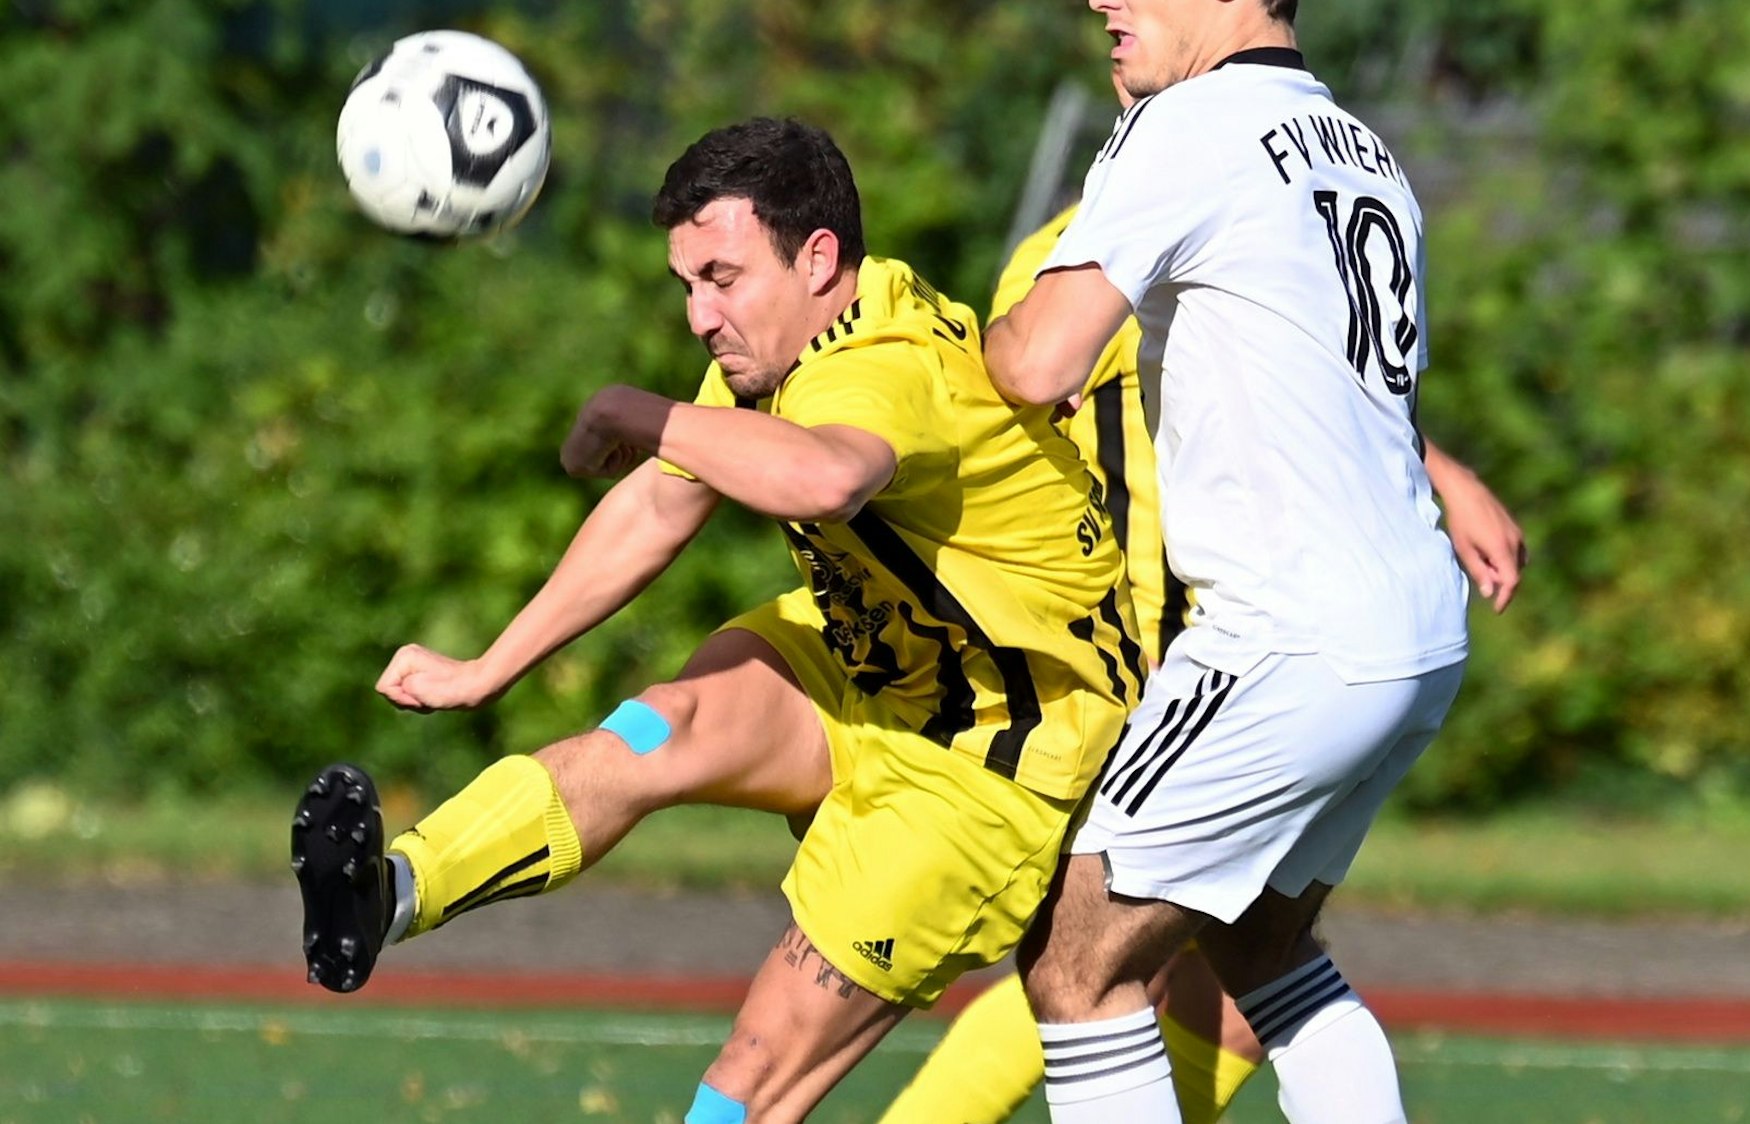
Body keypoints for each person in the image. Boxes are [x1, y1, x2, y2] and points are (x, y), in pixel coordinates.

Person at [288, 116, 1141, 1124]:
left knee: (751, 1080)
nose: (699, 314)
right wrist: (487, 669)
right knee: (654, 726)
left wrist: (630, 407)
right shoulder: (787, 341)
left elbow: (824, 476)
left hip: (992, 751)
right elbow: (660, 501)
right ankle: (386, 892)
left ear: (818, 258)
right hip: (874, 660)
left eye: (721, 278)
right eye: (686, 283)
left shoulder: (883, 360)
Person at [884, 190, 1525, 1123]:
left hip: (1243, 649)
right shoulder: (1097, 243)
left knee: (1127, 958)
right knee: (1131, 953)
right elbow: (1011, 399)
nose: (1115, 35)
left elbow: (1304, 385)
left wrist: (1439, 467)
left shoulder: (1234, 196)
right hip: (1148, 651)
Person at [981, 0, 1481, 1119]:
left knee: (1079, 964)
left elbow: (1036, 359)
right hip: (1415, 626)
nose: (1103, 0)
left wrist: (943, 346)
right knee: (1263, 944)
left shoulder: (1191, 123)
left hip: (1286, 634)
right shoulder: (1360, 145)